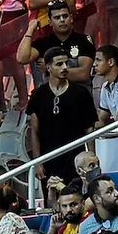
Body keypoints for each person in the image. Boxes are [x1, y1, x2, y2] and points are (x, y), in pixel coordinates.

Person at [26, 46, 97, 186]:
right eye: (59, 64)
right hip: (48, 159)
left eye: (67, 63)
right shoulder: (38, 95)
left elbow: (89, 130)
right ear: (48, 67)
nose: (65, 67)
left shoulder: (81, 93)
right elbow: (34, 130)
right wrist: (37, 161)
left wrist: (91, 160)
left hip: (76, 159)